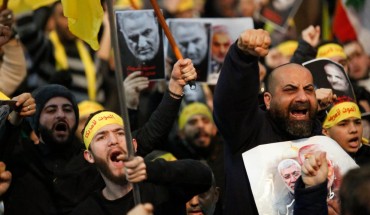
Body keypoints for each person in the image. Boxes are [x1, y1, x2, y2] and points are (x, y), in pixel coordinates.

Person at [0, 57, 197, 214]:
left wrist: (174, 89)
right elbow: (3, 148)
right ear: (36, 121)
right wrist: (14, 118)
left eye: (68, 109)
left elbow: (151, 134)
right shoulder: (23, 158)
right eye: (51, 110)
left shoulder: (92, 158)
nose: (60, 114)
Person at [213, 29, 325, 214]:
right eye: (290, 90)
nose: (303, 97)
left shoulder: (321, 139)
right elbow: (232, 102)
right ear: (268, 100)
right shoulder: (247, 131)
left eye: (309, 89)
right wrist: (242, 58)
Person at [70, 110, 212, 215]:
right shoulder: (87, 211)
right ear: (89, 156)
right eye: (101, 137)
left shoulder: (161, 187)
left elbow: (203, 177)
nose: (113, 141)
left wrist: (150, 169)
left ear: (134, 145)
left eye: (120, 133)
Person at [322, 101, 370, 166]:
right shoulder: (320, 162)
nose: (354, 129)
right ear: (326, 132)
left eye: (357, 122)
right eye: (343, 124)